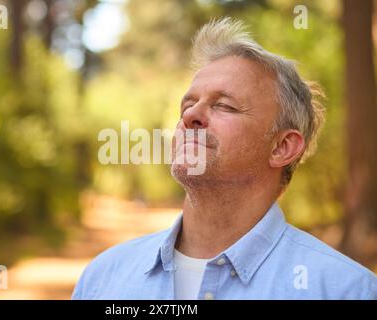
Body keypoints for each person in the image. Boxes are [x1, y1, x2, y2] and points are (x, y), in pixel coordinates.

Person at [72, 17, 377, 300]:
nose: (190, 116)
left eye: (225, 106)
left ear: (282, 147)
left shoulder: (347, 291)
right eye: (187, 105)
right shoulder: (103, 280)